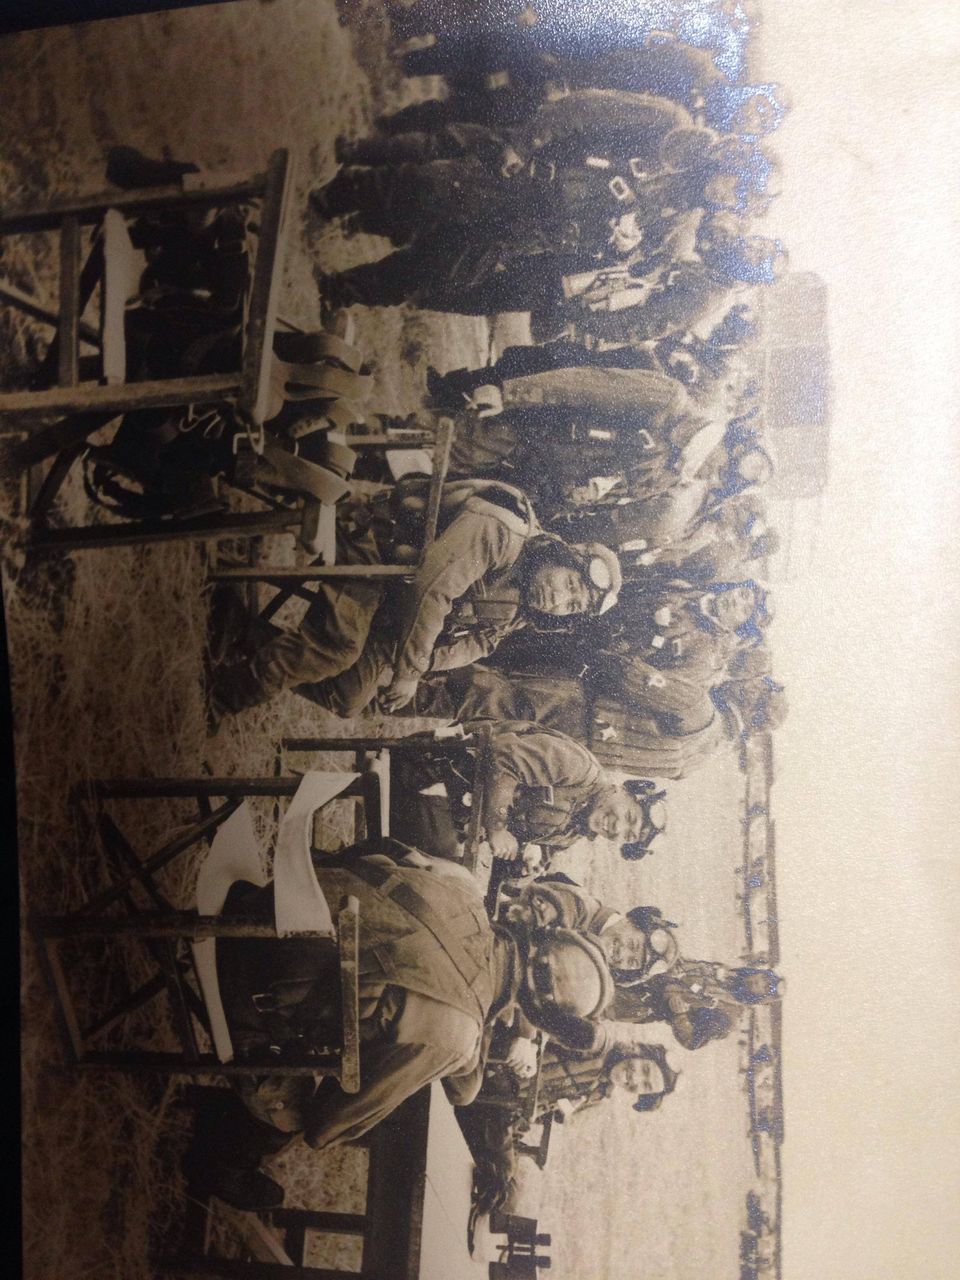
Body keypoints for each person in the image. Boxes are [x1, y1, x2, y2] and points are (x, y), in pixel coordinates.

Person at [183, 838, 616, 1209]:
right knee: (299, 1112)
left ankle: (217, 1110)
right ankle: (216, 1160)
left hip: (257, 905)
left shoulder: (466, 891)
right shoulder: (457, 1037)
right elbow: (331, 1123)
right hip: (245, 986)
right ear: (542, 1017)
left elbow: (375, 853)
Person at [208, 479, 622, 723]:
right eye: (570, 583)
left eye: (571, 605)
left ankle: (240, 626)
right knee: (339, 646)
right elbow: (432, 589)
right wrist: (409, 671)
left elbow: (481, 642)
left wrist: (417, 664)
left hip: (396, 603)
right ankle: (224, 694)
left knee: (349, 697)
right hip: (373, 543)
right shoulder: (504, 533)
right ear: (562, 556)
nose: (558, 599)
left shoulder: (525, 599)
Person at [388, 720, 663, 867]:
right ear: (623, 790)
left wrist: (529, 865)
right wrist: (497, 827)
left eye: (628, 836)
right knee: (436, 876)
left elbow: (542, 847)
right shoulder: (579, 768)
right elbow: (504, 756)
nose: (617, 828)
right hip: (434, 772)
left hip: (454, 815)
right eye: (629, 816)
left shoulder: (575, 832)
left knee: (447, 883)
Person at [456, 1033, 677, 1213]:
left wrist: (563, 1108)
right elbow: (543, 1028)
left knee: (510, 1197)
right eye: (644, 1069)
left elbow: (555, 1110)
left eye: (645, 1086)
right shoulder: (595, 1042)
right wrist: (531, 1048)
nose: (635, 1078)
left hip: (509, 1115)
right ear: (639, 1052)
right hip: (500, 1080)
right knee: (502, 1175)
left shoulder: (601, 1093)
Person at [607, 959, 783, 1049]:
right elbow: (685, 964)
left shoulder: (729, 1017)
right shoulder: (723, 971)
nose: (759, 982)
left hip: (645, 1004)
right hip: (648, 974)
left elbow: (692, 1041)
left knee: (603, 1000)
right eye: (764, 977)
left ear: (762, 999)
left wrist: (680, 1016)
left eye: (766, 987)